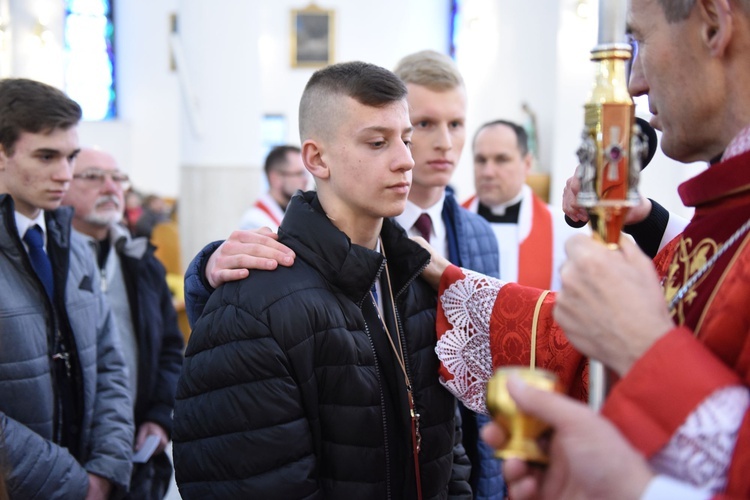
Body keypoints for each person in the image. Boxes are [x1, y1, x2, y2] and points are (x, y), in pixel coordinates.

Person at [421, 0, 750, 495]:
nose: (635, 84)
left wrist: (645, 351)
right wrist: (653, 224)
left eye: (639, 41)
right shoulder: (726, 215)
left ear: (713, 25)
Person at [181, 50, 503, 499]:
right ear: (317, 158)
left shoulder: (411, 279)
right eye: (377, 143)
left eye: (405, 140)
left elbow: (446, 449)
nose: (406, 161)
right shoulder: (254, 305)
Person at [0, 78, 133, 498]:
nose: (64, 173)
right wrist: (72, 484)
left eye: (70, 156)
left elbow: (111, 362)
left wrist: (106, 467)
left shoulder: (73, 246)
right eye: (46, 156)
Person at [61, 147, 185, 499]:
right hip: (71, 454)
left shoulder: (140, 261)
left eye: (117, 178)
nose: (111, 188)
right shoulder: (47, 265)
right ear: (60, 182)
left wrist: (160, 417)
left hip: (136, 445)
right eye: (93, 177)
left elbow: (170, 348)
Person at [463, 120, 584, 290]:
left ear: (527, 164)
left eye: (501, 159)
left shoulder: (563, 230)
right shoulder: (448, 221)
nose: (488, 172)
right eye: (481, 160)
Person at [239, 144, 308, 231]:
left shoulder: (294, 210)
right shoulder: (254, 221)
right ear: (275, 178)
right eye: (298, 174)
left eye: (305, 173)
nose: (305, 180)